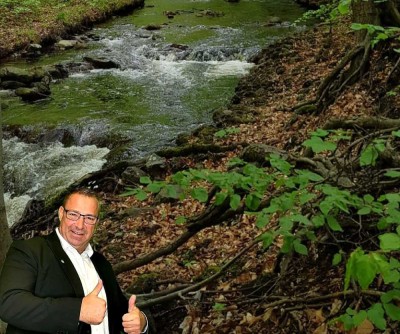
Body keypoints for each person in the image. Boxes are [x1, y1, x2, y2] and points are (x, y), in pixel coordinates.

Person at [0, 188, 149, 334]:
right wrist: (77, 311)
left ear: (96, 222)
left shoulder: (100, 263)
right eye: (73, 215)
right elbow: (9, 304)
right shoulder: (30, 251)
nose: (80, 225)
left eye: (89, 218)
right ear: (60, 213)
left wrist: (141, 322)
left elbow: (121, 314)